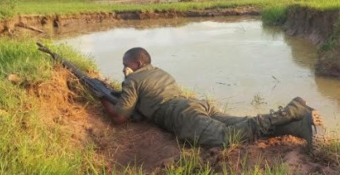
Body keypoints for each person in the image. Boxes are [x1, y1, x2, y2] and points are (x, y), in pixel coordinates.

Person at [100, 47, 318, 147]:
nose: (123, 68)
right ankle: (295, 126)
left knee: (226, 137)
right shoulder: (159, 72)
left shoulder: (133, 79)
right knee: (242, 124)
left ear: (137, 64)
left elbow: (120, 117)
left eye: (125, 65)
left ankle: (290, 111)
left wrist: (104, 99)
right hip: (195, 105)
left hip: (182, 115)